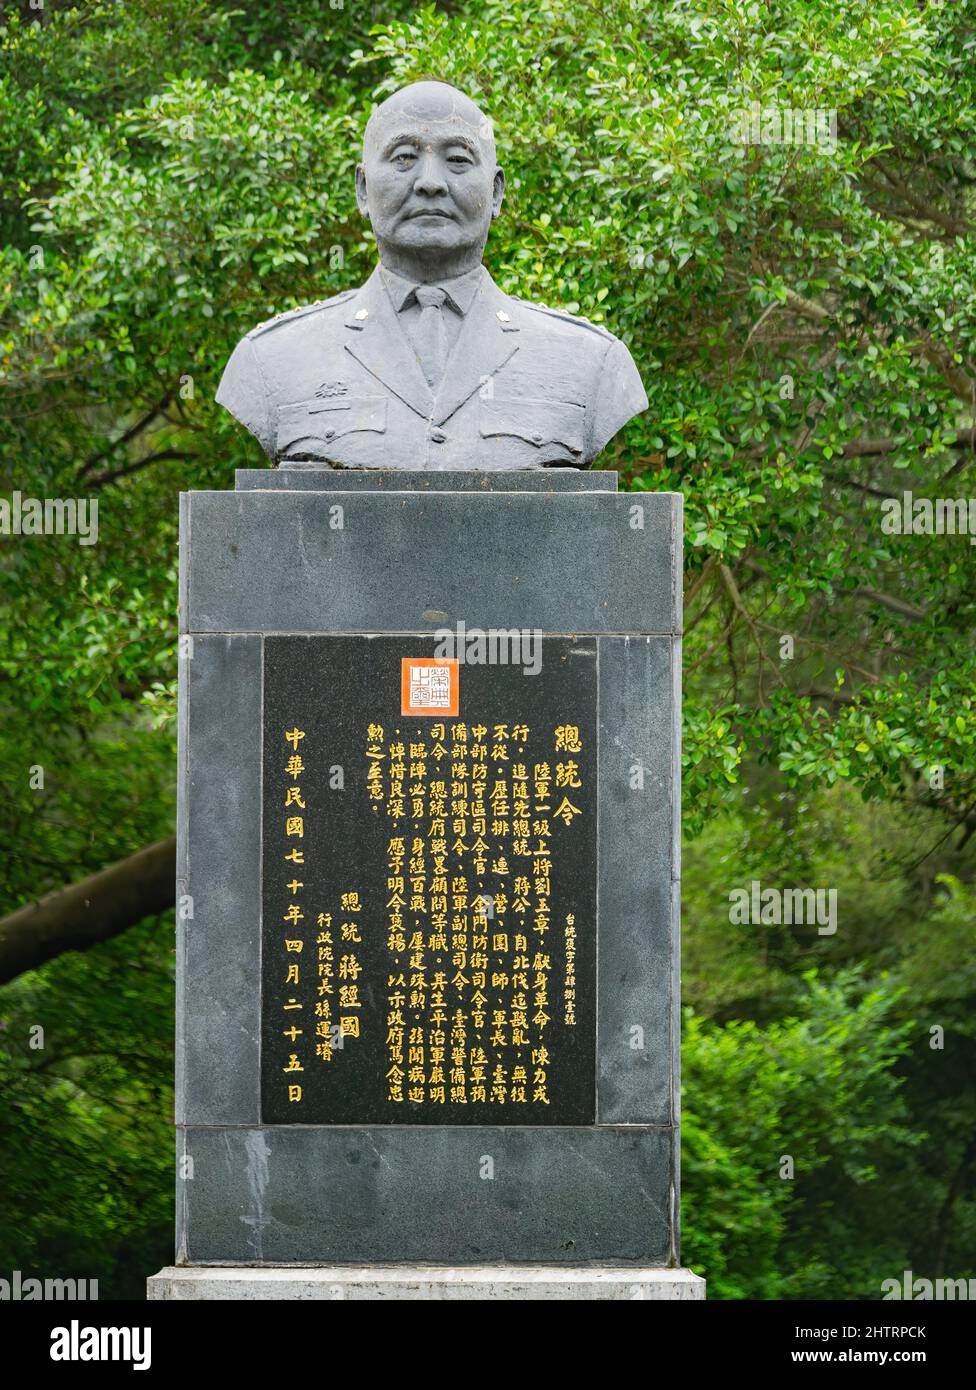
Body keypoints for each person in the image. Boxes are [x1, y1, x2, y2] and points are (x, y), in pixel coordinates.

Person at [216, 80, 647, 470]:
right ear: (363, 190)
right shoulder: (272, 361)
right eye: (403, 158)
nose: (430, 183)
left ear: (495, 193)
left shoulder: (591, 365)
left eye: (458, 159)